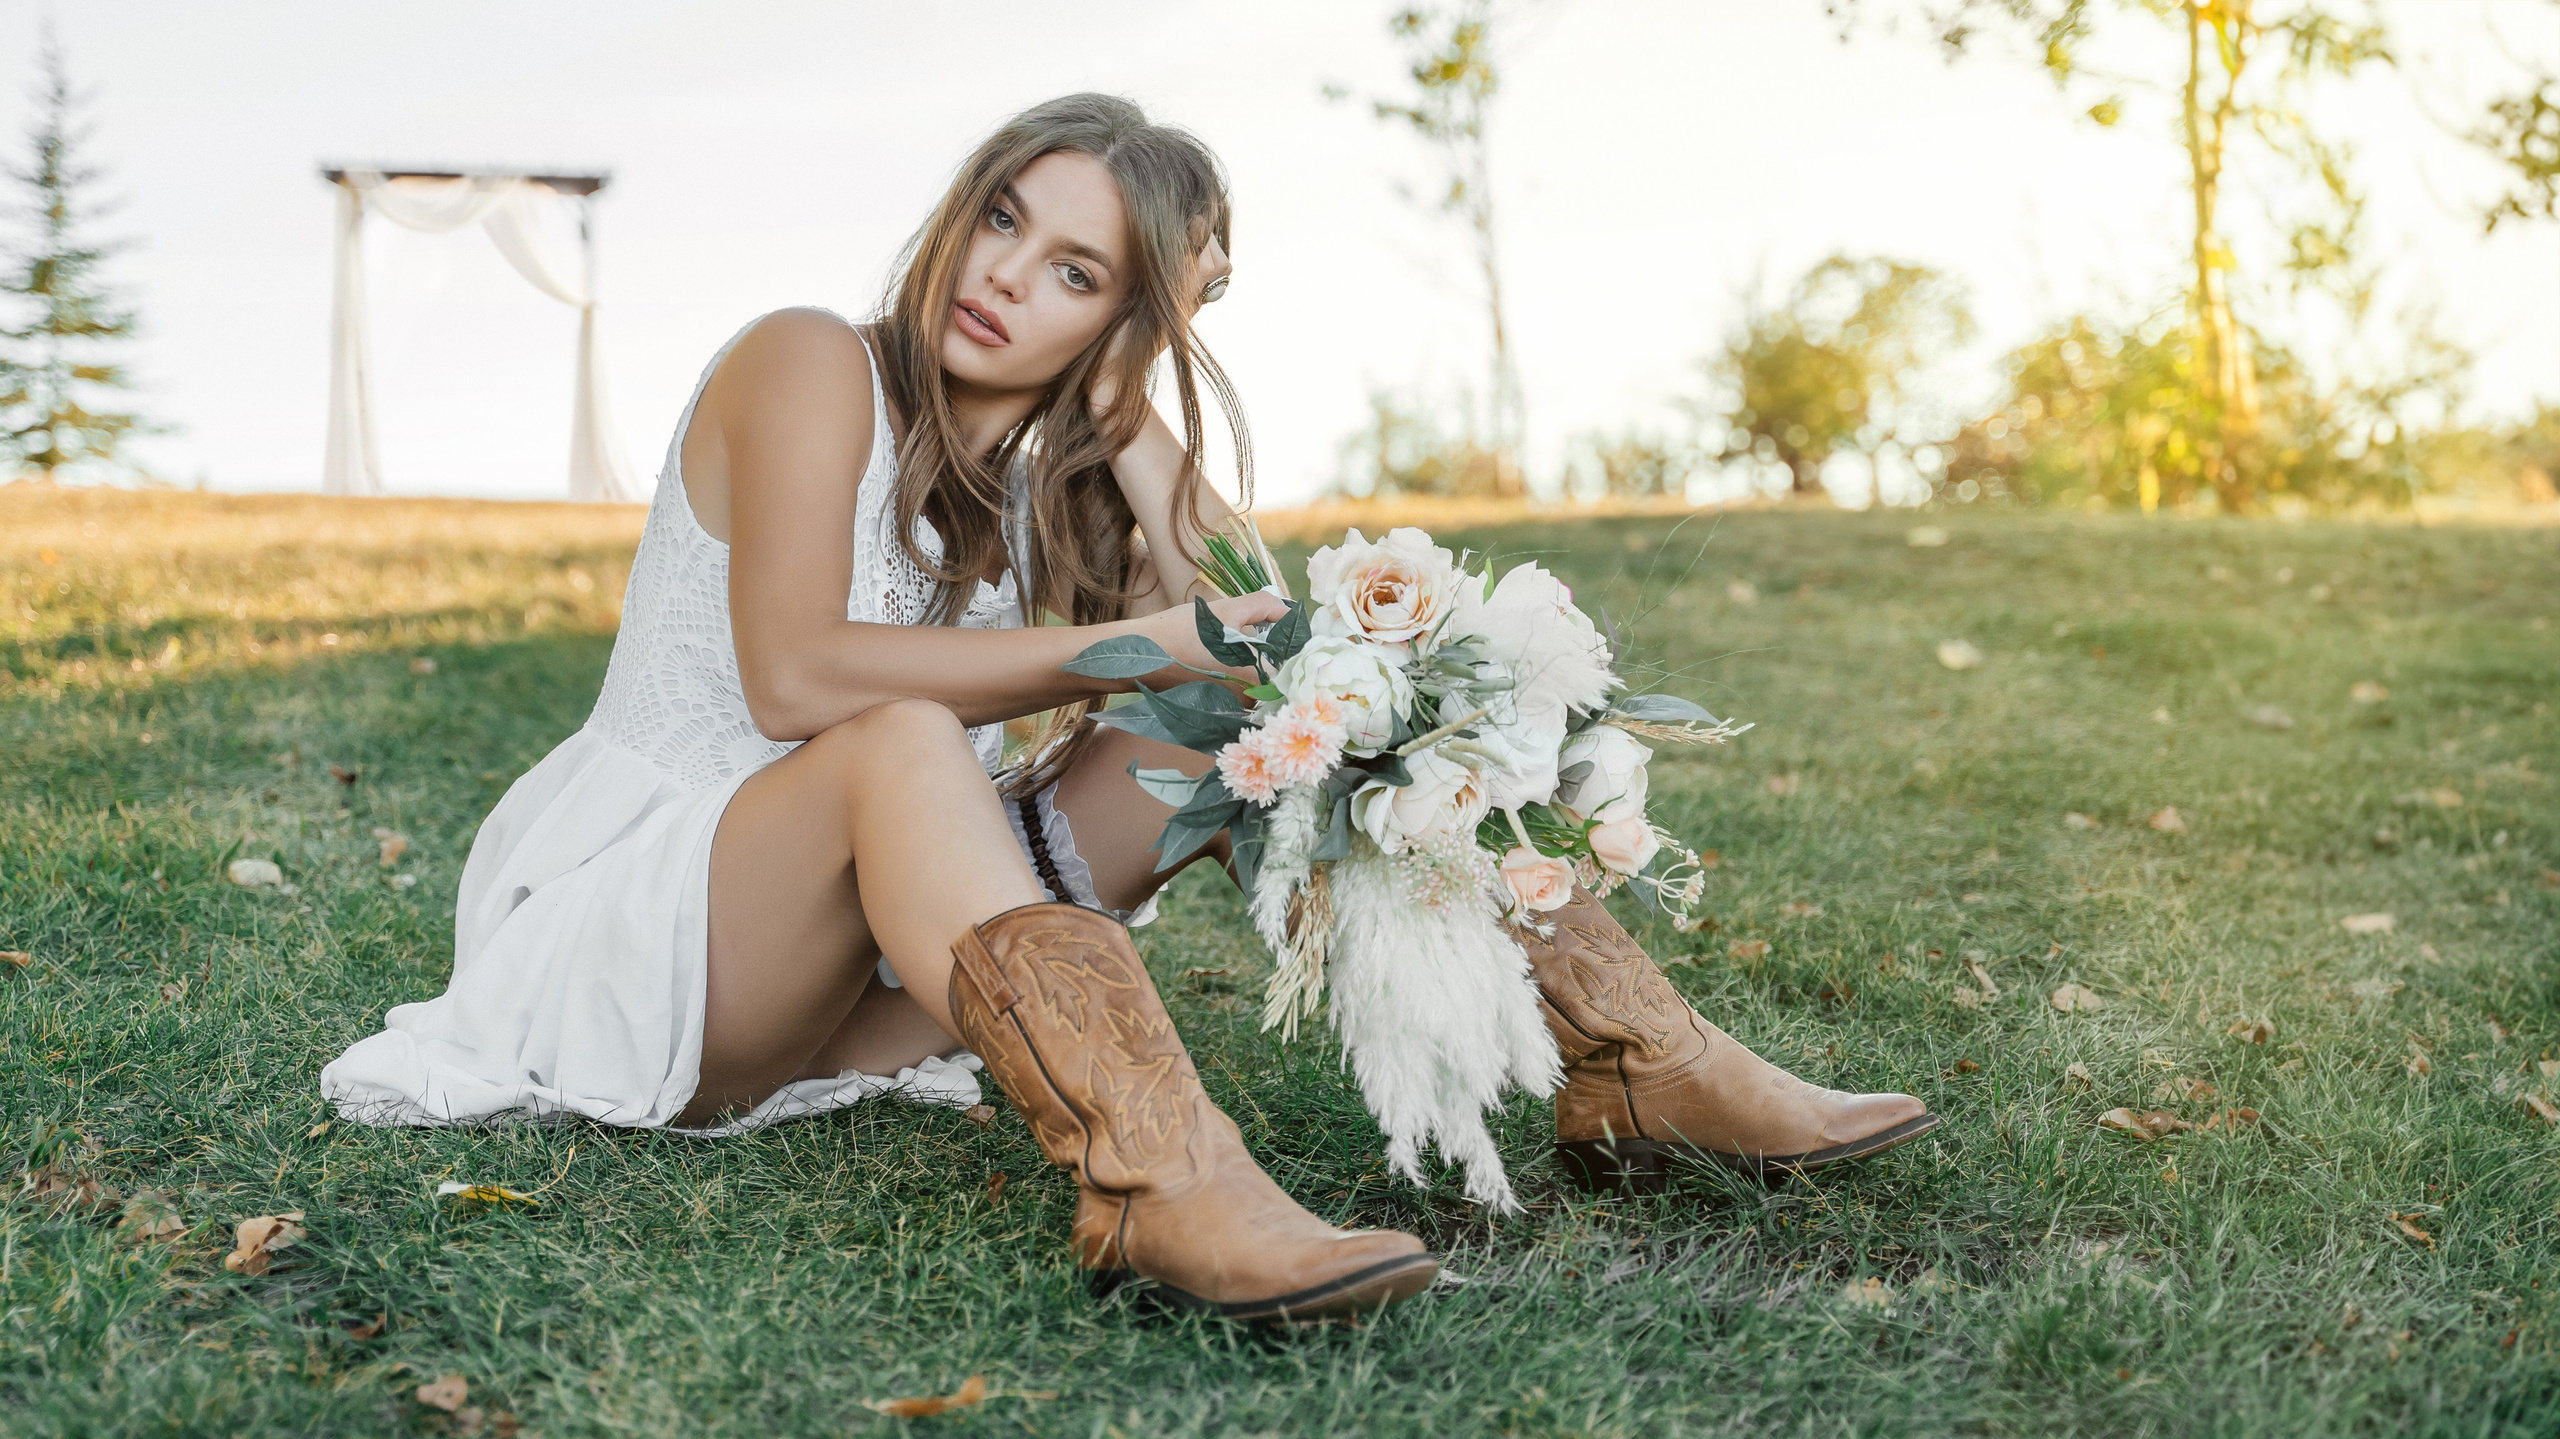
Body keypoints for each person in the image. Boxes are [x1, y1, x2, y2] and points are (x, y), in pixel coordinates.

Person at [322, 93, 1932, 1324]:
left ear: (1126, 315)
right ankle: (1162, 1178)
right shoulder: (811, 361)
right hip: (658, 941)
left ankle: (1633, 1055)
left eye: (1075, 270)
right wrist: (1119, 653)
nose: (1005, 278)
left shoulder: (1052, 461)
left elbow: (1263, 626)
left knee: (1284, 710)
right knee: (891, 734)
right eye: (1005, 222)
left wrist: (1126, 396)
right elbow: (795, 679)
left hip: (863, 968)